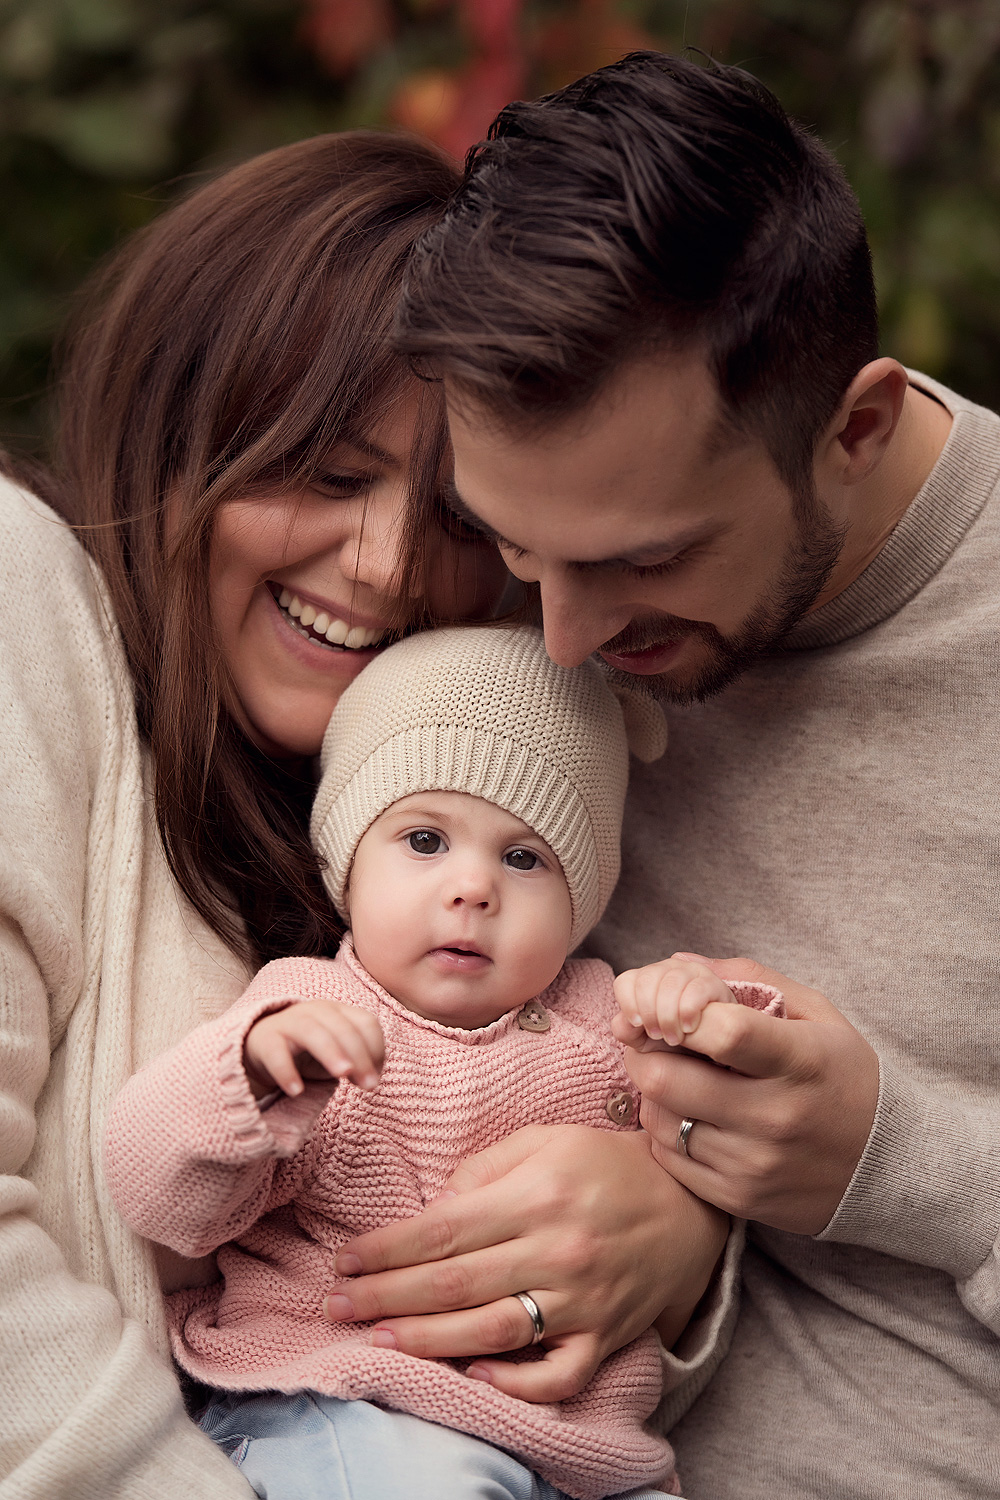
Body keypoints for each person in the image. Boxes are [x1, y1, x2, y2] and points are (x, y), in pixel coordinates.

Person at [0, 126, 731, 1498]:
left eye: (456, 519)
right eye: (328, 476)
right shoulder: (17, 596)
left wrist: (675, 1240)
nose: (391, 563)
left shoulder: (449, 778)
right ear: (189, 420)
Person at [358, 51, 996, 1500]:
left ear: (857, 429)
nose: (565, 640)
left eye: (643, 563)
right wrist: (682, 1210)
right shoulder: (491, 599)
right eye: (520, 549)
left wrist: (899, 1159)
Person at [107, 622, 770, 1500]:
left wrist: (712, 1002)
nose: (472, 887)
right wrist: (252, 1080)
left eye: (525, 857)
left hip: (581, 1454)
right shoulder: (311, 1015)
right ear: (346, 862)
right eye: (424, 841)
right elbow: (155, 1197)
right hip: (345, 1401)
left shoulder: (613, 1020)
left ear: (583, 901)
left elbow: (755, 1097)